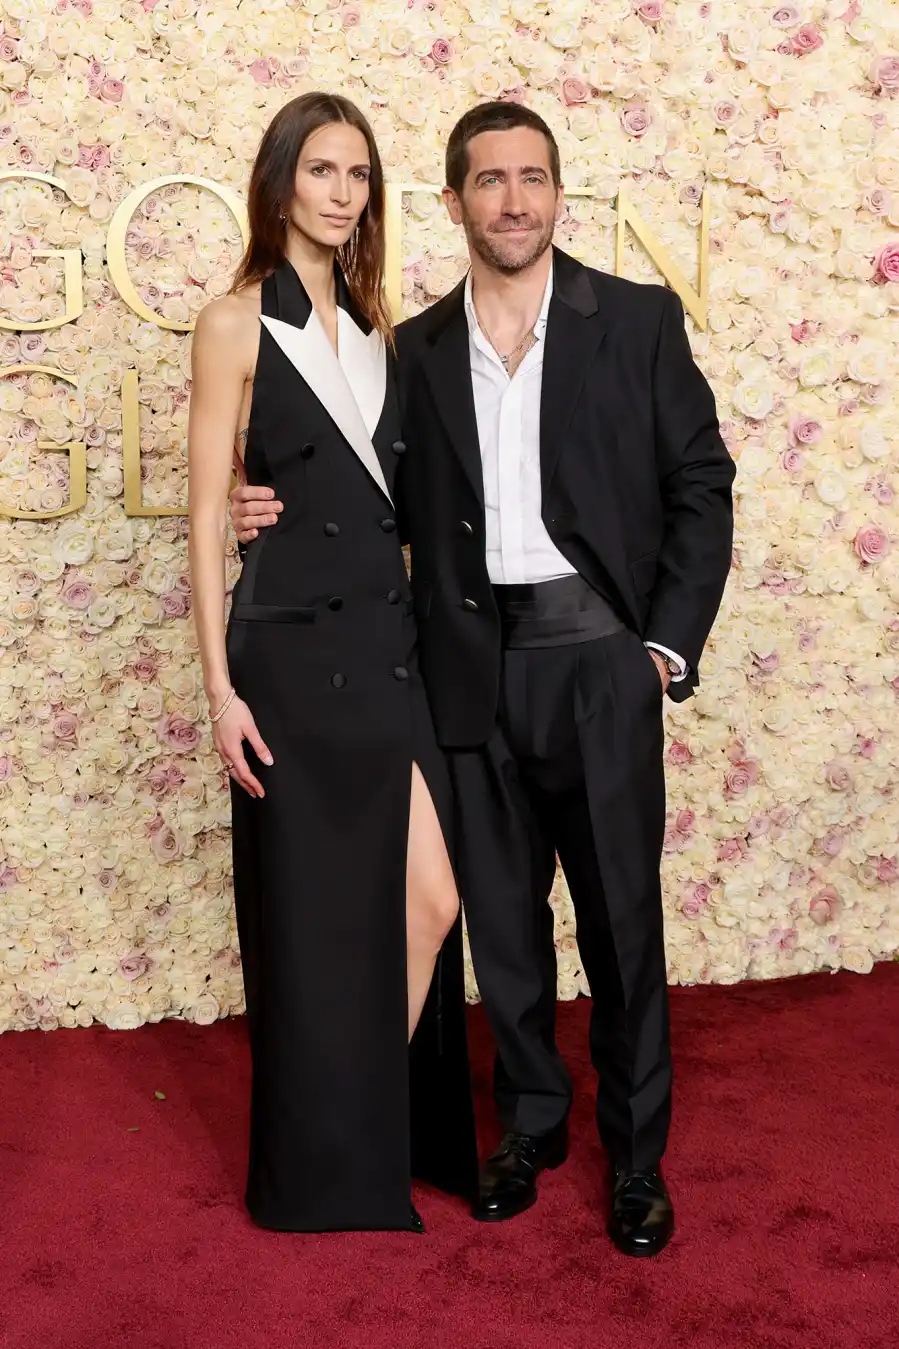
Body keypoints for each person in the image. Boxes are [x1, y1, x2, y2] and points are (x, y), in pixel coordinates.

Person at [230, 100, 735, 1256]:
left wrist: (660, 647)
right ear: (453, 201)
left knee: (620, 923)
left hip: (598, 663)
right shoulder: (408, 348)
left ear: (557, 194)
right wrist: (260, 503)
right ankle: (531, 1126)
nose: (514, 200)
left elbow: (700, 483)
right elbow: (364, 494)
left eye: (532, 178)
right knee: (501, 926)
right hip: (463, 669)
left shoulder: (635, 321)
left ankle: (636, 1160)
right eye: (490, 181)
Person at [188, 91, 476, 1235]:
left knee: (429, 898)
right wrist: (219, 692)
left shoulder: (376, 328)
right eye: (321, 168)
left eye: (358, 173)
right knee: (312, 921)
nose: (342, 191)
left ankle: (352, 1121)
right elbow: (203, 515)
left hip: (387, 649)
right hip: (290, 659)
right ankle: (326, 1160)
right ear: (280, 181)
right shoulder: (232, 321)